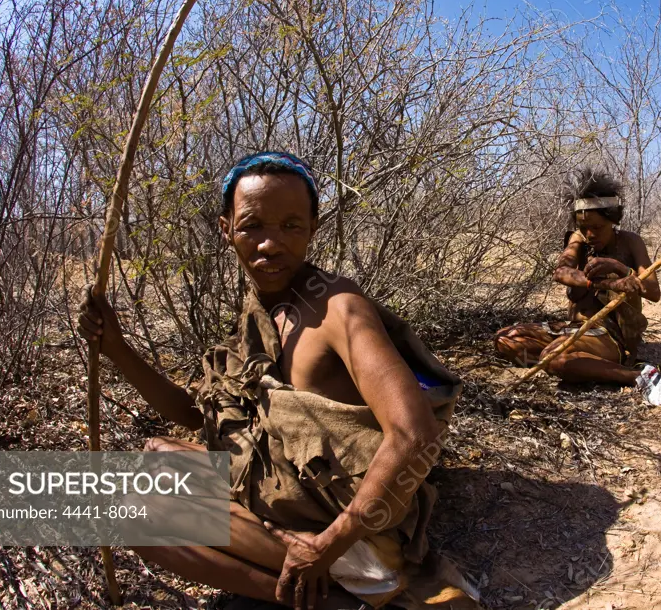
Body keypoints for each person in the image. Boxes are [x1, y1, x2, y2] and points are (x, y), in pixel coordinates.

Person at [78, 152, 479, 610]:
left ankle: (328, 598)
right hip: (291, 497)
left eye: (291, 226)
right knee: (157, 453)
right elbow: (190, 414)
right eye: (252, 226)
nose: (271, 244)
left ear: (313, 227)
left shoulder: (339, 309)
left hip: (349, 534)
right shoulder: (262, 311)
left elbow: (413, 434)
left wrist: (325, 547)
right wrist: (116, 347)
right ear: (226, 228)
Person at [493, 169, 661, 401]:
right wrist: (608, 282)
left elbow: (653, 292)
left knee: (554, 357)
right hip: (575, 327)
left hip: (610, 334)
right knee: (505, 339)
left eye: (597, 228)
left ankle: (635, 375)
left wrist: (620, 268)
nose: (589, 234)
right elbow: (562, 272)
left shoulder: (630, 242)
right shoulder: (579, 239)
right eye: (583, 227)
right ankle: (581, 363)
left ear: (613, 221)